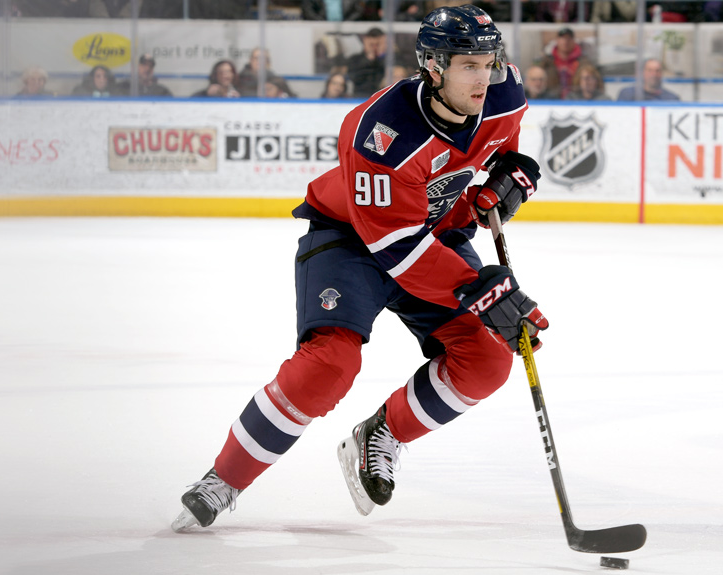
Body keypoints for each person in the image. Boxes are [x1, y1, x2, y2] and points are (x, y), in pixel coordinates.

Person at [171, 4, 549, 532]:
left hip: (433, 236)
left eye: (489, 62)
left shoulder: (504, 92)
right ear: (434, 67)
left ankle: (383, 433)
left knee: (488, 361)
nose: (484, 77)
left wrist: (511, 172)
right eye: (469, 65)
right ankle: (224, 479)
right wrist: (478, 289)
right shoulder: (381, 134)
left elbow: (497, 146)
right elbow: (398, 252)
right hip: (354, 241)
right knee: (329, 364)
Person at [346, 27, 388, 98]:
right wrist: (368, 59)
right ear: (365, 42)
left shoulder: (390, 59)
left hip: (383, 98)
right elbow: (354, 78)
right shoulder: (355, 59)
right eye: (371, 45)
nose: (374, 48)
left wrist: (381, 55)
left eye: (377, 44)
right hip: (359, 97)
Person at [551, 27, 586, 99]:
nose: (565, 41)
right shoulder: (548, 61)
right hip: (551, 99)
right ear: (557, 40)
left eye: (569, 38)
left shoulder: (583, 62)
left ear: (574, 41)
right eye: (562, 38)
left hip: (577, 99)